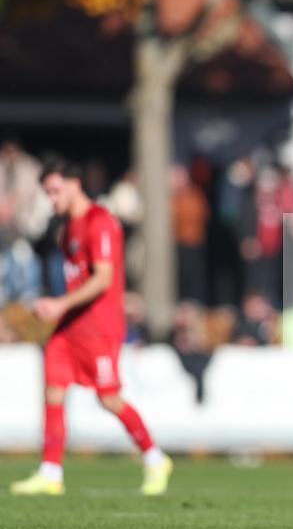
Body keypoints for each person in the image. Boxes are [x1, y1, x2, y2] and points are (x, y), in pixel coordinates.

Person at [10, 158, 172, 496]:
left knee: (109, 398)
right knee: (53, 390)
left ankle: (155, 458)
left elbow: (104, 279)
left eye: (55, 191)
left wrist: (60, 304)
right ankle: (51, 472)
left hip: (99, 327)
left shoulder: (101, 222)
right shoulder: (68, 228)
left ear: (74, 184)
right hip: (71, 327)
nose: (52, 199)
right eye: (48, 193)